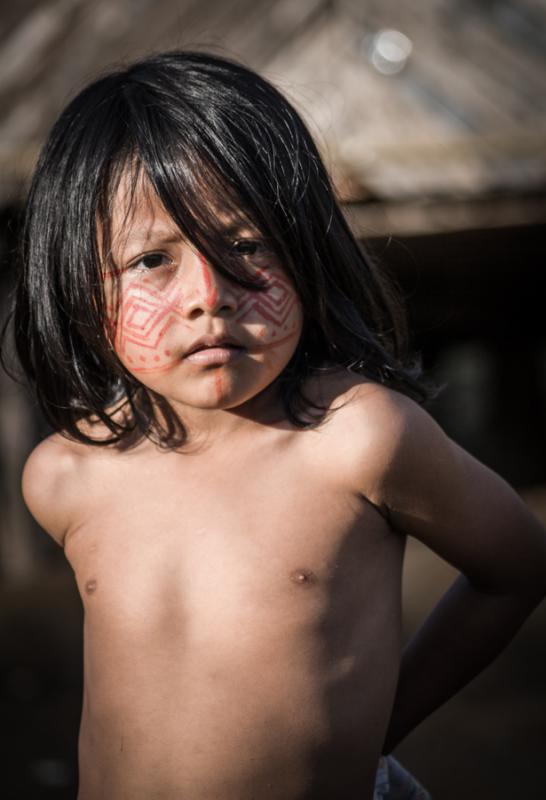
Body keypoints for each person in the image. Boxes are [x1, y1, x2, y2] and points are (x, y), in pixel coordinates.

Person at [4, 50, 546, 800]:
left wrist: (382, 726)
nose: (209, 296)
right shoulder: (65, 477)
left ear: (308, 254)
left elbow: (517, 563)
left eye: (248, 247)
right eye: (153, 259)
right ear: (75, 282)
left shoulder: (357, 439)